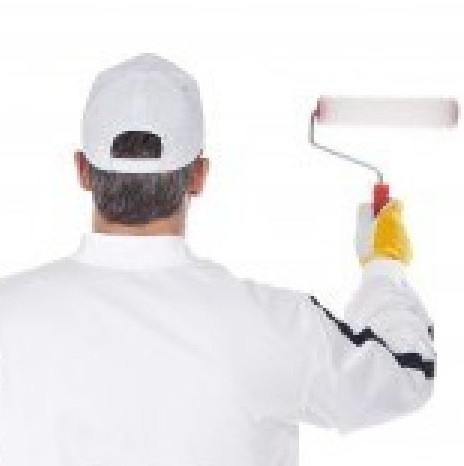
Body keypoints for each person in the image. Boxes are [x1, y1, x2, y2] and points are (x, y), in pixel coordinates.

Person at [0, 54, 435, 466]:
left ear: (81, 170)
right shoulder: (273, 325)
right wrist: (384, 265)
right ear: (199, 175)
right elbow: (405, 374)